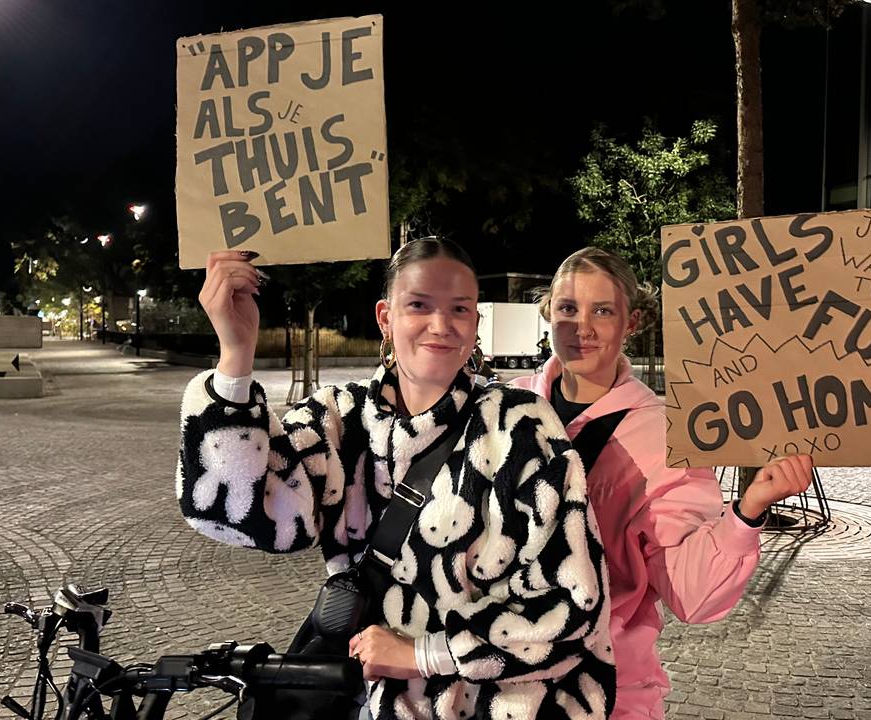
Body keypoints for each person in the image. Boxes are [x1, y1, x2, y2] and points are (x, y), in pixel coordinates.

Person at [176, 239, 616, 720]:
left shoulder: (520, 425)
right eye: (419, 305)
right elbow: (239, 514)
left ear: (475, 323)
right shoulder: (340, 418)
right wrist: (235, 357)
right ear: (385, 317)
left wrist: (424, 654)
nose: (441, 325)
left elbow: (573, 600)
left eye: (460, 309)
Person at [511, 247, 814, 719]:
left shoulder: (667, 434)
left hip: (605, 691)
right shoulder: (504, 407)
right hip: (496, 681)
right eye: (568, 308)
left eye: (603, 311)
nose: (581, 327)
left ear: (632, 323)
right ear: (549, 311)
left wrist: (746, 512)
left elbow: (690, 593)